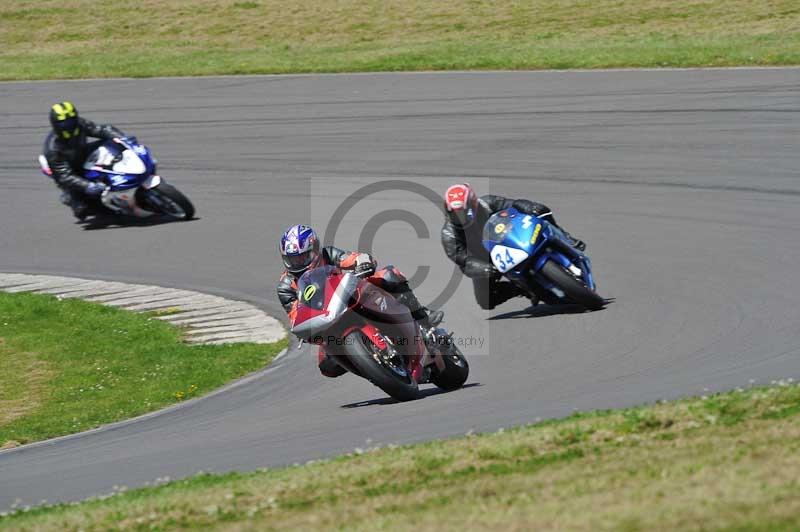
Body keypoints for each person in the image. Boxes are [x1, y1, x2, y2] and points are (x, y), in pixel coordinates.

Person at [276, 224, 444, 377]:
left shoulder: (328, 254)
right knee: (327, 366)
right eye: (292, 260)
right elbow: (295, 314)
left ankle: (423, 318)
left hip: (352, 295)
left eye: (302, 257)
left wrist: (362, 262)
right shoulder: (285, 286)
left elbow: (353, 258)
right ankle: (377, 371)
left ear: (315, 249)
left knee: (389, 275)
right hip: (326, 320)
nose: (297, 263)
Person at [441, 183, 585, 310]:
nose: (458, 218)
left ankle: (567, 239)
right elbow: (464, 261)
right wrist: (484, 268)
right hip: (485, 260)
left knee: (541, 212)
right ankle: (521, 289)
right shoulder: (449, 235)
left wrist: (531, 207)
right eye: (454, 213)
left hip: (508, 239)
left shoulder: (487, 203)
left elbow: (513, 204)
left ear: (473, 205)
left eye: (461, 212)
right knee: (486, 301)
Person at [43, 101, 127, 220]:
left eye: (71, 119)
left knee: (109, 143)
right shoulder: (53, 149)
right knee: (83, 211)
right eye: (64, 122)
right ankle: (69, 197)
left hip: (83, 155)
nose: (69, 124)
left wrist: (122, 138)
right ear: (56, 124)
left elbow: (101, 129)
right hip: (69, 173)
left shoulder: (79, 124)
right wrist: (88, 185)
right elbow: (65, 176)